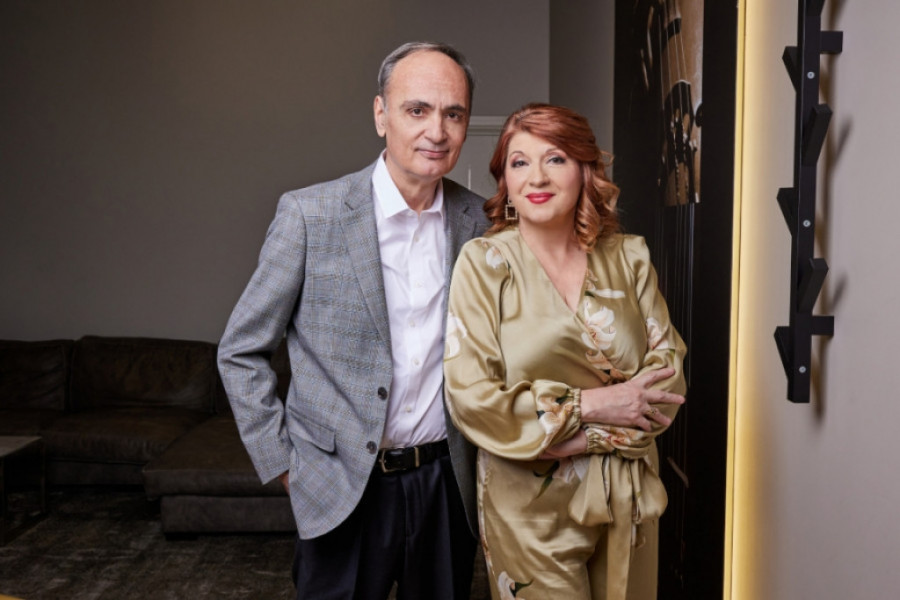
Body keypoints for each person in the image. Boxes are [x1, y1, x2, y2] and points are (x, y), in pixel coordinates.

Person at [217, 41, 490, 600]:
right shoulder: (309, 215)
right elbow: (241, 350)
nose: (436, 131)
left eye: (453, 114)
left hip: (446, 485)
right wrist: (287, 467)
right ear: (380, 115)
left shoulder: (480, 223)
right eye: (417, 110)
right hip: (340, 487)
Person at [443, 103, 687, 600]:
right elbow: (470, 395)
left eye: (554, 158)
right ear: (505, 180)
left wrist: (569, 436)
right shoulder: (485, 263)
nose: (536, 176)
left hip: (628, 492)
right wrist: (594, 405)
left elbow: (667, 375)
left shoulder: (630, 257)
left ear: (584, 169)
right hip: (527, 506)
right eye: (519, 162)